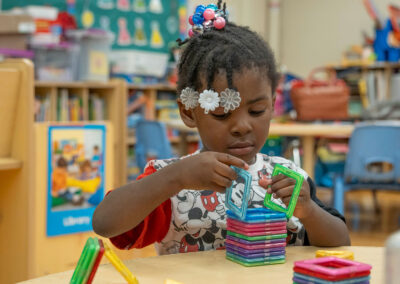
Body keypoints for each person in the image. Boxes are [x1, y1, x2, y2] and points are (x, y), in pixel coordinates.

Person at [93, 1, 350, 254]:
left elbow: (342, 243)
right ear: (189, 112)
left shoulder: (287, 177)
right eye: (221, 113)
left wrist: (308, 211)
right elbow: (105, 223)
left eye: (257, 111)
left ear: (272, 105)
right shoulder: (172, 181)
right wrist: (176, 177)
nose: (241, 126)